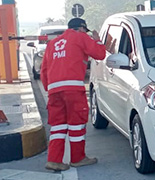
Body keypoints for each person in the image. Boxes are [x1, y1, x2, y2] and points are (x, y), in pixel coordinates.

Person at [41, 18, 107, 171]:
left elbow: (44, 70)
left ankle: (54, 160)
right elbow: (99, 54)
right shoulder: (81, 37)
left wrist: (50, 89)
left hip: (54, 91)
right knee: (76, 124)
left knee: (58, 126)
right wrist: (98, 41)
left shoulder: (52, 44)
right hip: (73, 89)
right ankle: (78, 158)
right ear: (82, 28)